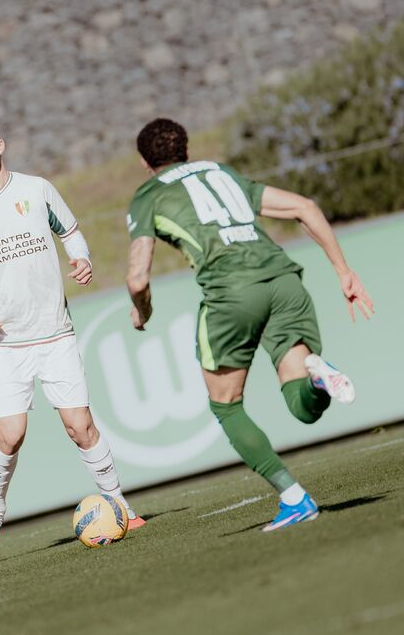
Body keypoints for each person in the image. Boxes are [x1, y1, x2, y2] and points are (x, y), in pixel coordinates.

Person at [125, 118, 374, 531]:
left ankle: (294, 498)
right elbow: (305, 208)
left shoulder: (148, 194)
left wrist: (142, 311)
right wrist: (343, 271)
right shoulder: (220, 172)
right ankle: (316, 378)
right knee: (302, 406)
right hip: (282, 280)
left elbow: (137, 277)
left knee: (226, 405)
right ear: (185, 148)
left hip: (231, 294)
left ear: (143, 162)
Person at [0, 111, 144, 559]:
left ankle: (121, 505)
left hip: (54, 333)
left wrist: (83, 258)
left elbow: (70, 232)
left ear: (0, 145)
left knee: (80, 426)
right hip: (4, 342)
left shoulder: (36, 190)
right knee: (11, 433)